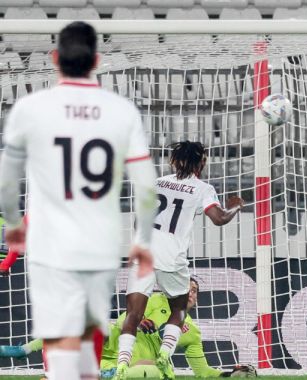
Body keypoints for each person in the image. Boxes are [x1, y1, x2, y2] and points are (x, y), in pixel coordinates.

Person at [0, 22, 157, 380]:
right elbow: (146, 187)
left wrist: (13, 229)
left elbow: (8, 182)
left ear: (55, 59)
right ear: (97, 61)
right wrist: (143, 242)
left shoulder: (31, 108)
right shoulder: (121, 110)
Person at [116, 140, 243, 380]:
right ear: (202, 162)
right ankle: (164, 356)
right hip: (172, 258)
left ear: (173, 161)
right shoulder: (202, 189)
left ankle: (121, 367)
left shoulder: (157, 182)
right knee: (179, 309)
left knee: (133, 314)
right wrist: (235, 207)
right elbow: (218, 218)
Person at [0, 278, 253, 378]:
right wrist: (137, 322)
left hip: (147, 368)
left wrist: (229, 374)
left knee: (149, 369)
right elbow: (124, 322)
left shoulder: (193, 332)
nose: (191, 292)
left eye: (195, 290)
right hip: (116, 353)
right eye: (187, 287)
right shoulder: (154, 300)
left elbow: (203, 372)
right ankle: (21, 350)